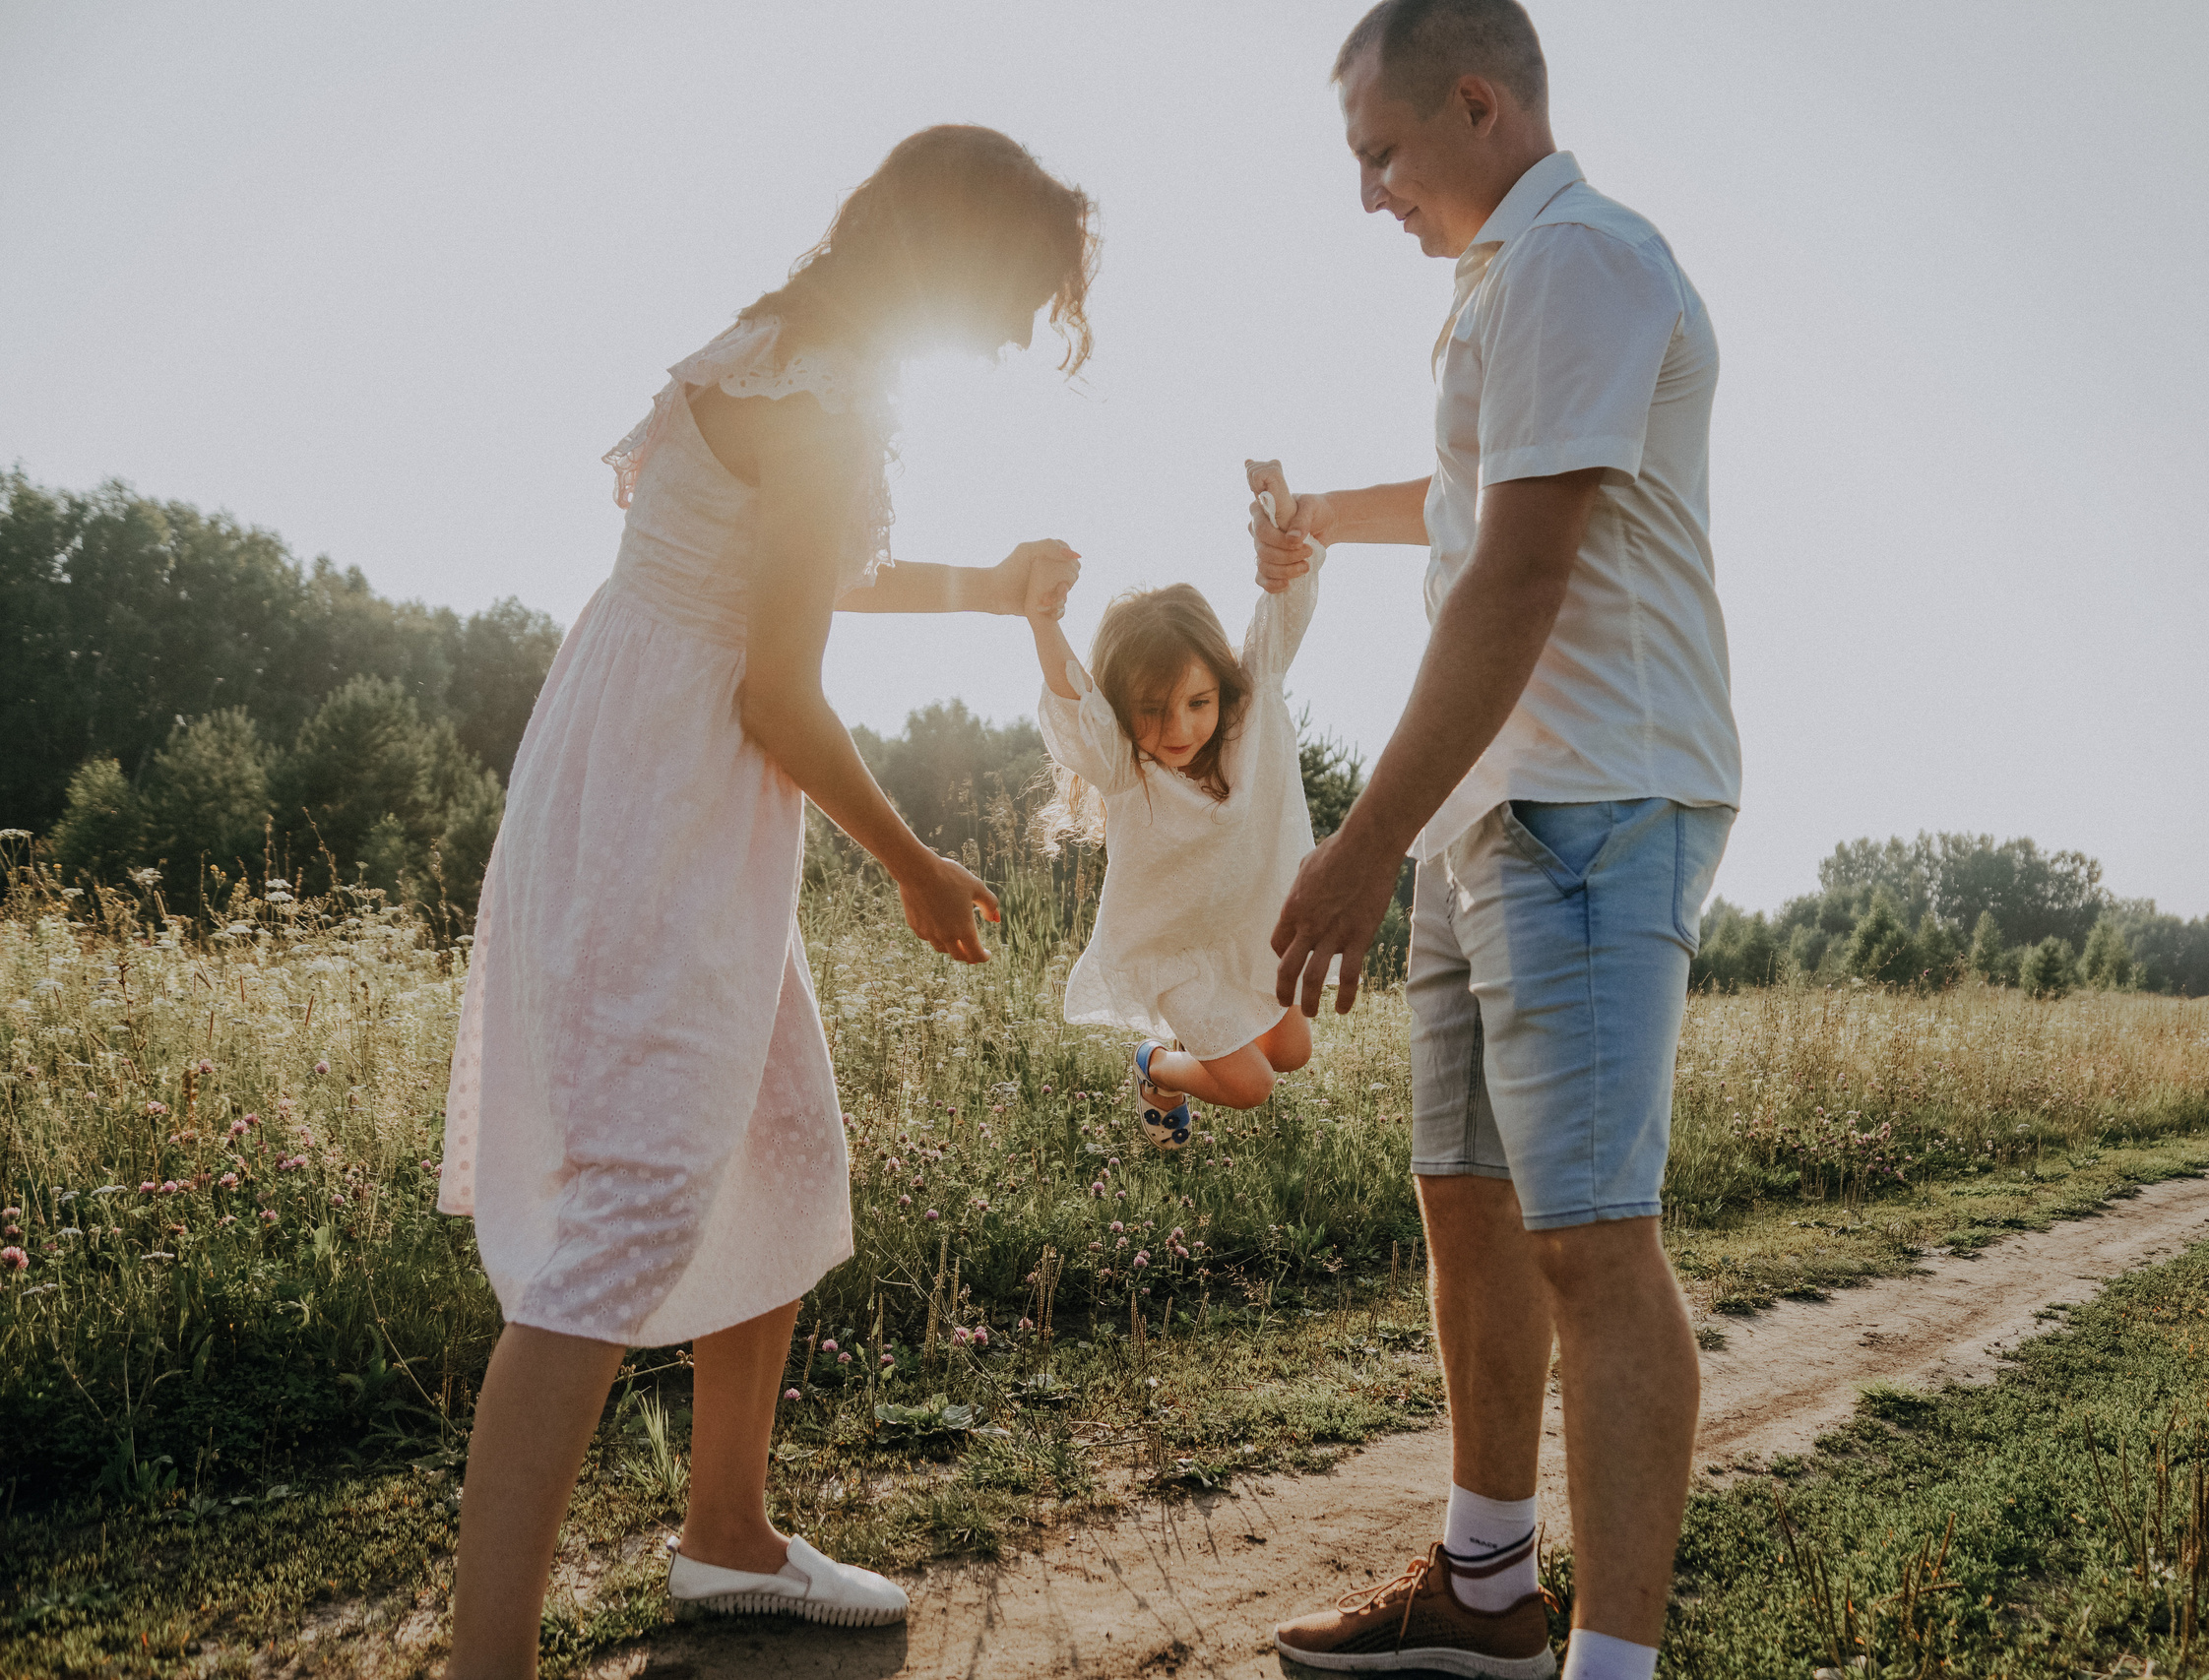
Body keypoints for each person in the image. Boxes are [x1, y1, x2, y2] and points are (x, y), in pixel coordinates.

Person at [433, 126, 1094, 1679]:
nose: (1011, 333)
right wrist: (916, 862)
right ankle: (485, 1663)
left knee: (783, 1142)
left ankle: (727, 1535)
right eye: (1018, 296)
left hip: (633, 761)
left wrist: (989, 586)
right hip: (675, 794)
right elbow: (778, 686)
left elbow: (790, 568)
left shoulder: (775, 352)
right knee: (633, 1198)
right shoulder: (833, 399)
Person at [1251, 6, 1740, 1680]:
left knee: (1591, 1236)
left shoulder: (1583, 259)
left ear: (1478, 104)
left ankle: (1613, 1663)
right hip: (1492, 809)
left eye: (1382, 152)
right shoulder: (1505, 287)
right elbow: (1477, 502)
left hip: (1590, 798)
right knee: (1467, 1201)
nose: (1371, 193)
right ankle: (1483, 1587)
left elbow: (1521, 575)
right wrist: (1327, 514)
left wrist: (1359, 840)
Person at [1028, 481, 1321, 1141]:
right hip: (1177, 952)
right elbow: (1075, 703)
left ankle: (1169, 1062)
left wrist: (1279, 527)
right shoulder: (1126, 769)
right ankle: (1155, 1065)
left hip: (1248, 930)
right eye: (1153, 710)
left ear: (1221, 684)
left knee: (1292, 1050)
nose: (1180, 727)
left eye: (1197, 701)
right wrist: (1044, 621)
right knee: (1250, 1085)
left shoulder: (1250, 713)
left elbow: (1283, 613)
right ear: (1126, 711)